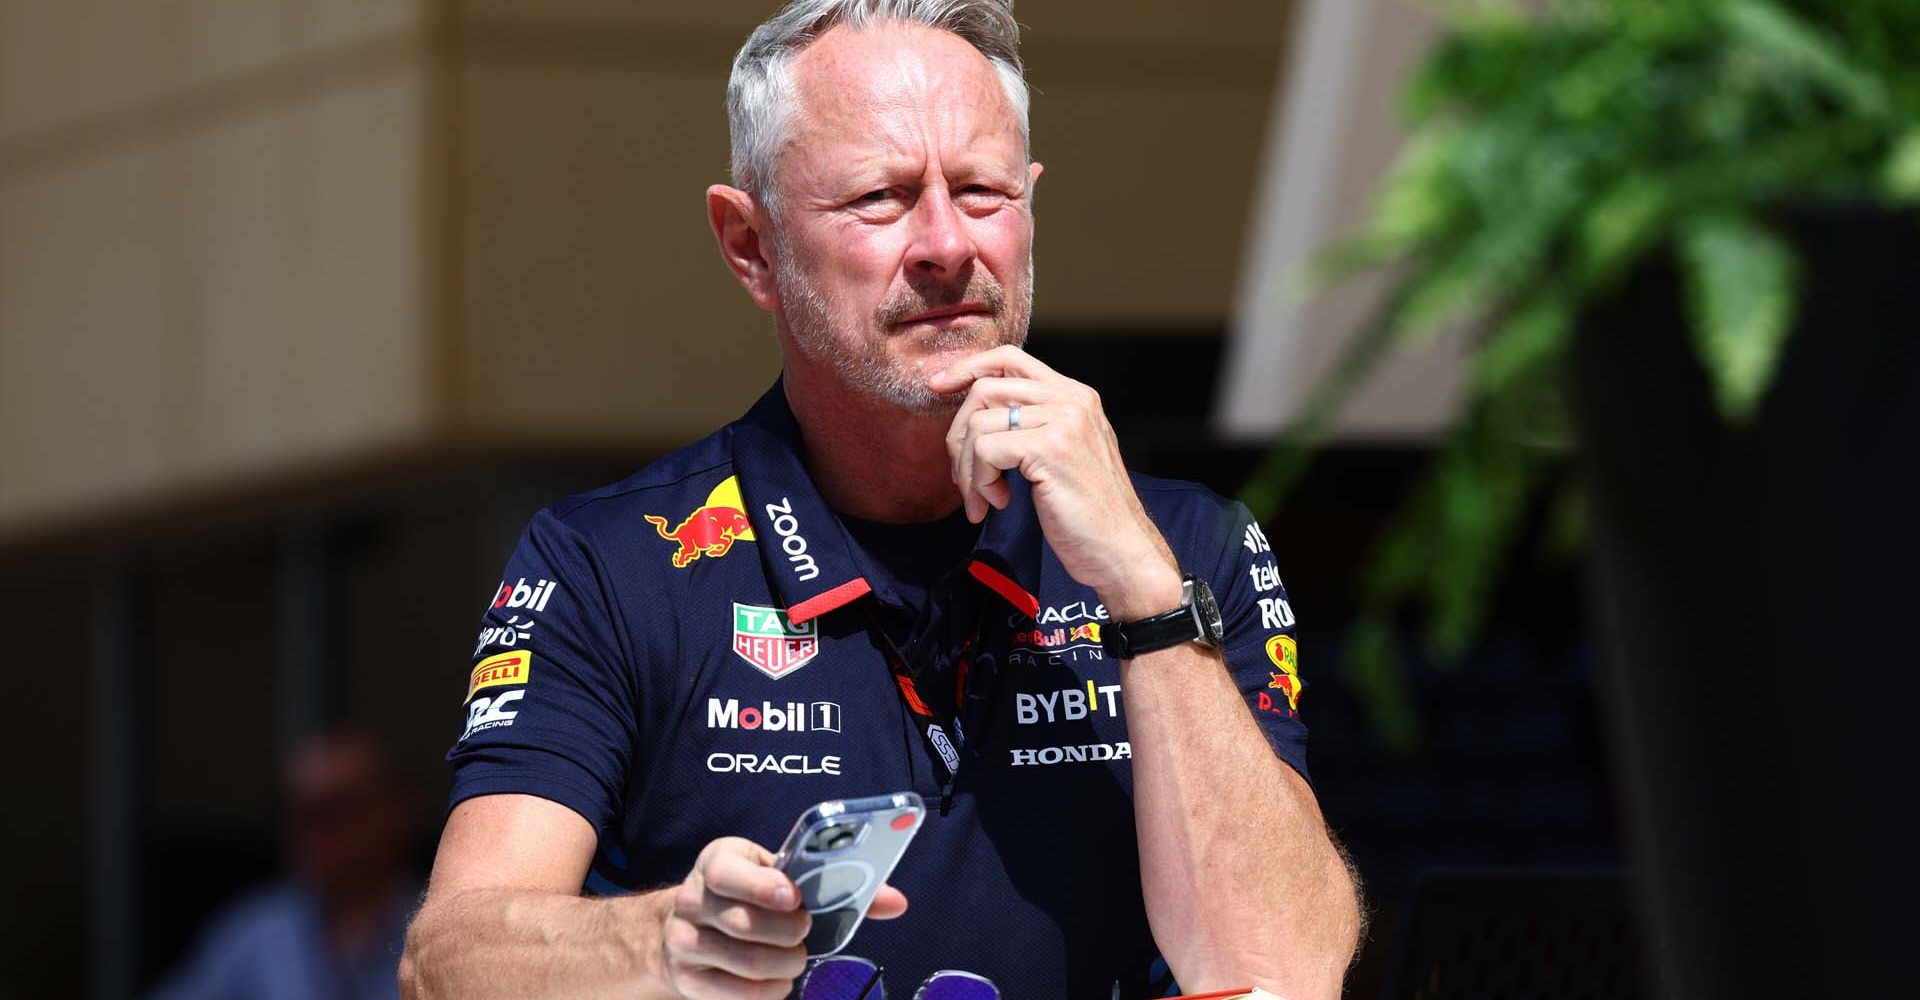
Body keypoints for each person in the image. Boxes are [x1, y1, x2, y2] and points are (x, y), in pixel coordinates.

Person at [399, 2, 1362, 998]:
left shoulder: (1189, 543)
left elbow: (1287, 969)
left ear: (1032, 211)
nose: (946, 243)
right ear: (751, 246)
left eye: (983, 192)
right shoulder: (608, 563)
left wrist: (1143, 590)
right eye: (881, 198)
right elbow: (446, 963)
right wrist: (667, 944)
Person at [149, 731, 420, 1000]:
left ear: (395, 813)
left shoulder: (438, 924)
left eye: (339, 810)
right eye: (303, 816)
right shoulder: (255, 932)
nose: (318, 834)